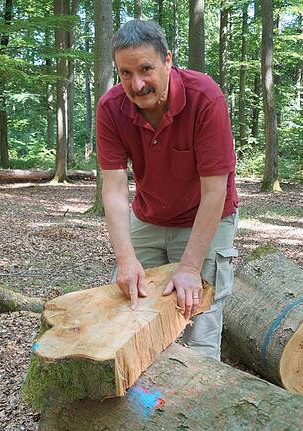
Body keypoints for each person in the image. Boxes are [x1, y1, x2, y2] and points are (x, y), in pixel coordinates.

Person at [96, 19, 239, 360]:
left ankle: (198, 399)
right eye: (126, 73)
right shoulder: (110, 108)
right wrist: (125, 260)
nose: (137, 83)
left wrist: (189, 267)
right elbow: (115, 191)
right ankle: (141, 407)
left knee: (196, 315)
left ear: (168, 61)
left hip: (205, 215)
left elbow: (215, 192)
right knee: (131, 309)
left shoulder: (205, 97)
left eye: (146, 68)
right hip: (149, 217)